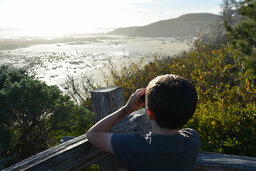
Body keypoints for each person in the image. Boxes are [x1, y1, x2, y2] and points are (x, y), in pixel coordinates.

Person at [87, 74, 200, 171]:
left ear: (149, 112)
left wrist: (127, 109)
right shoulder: (193, 140)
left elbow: (93, 134)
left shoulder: (133, 145)